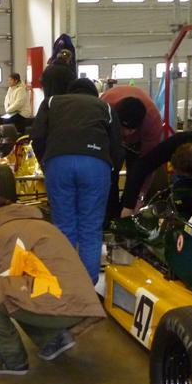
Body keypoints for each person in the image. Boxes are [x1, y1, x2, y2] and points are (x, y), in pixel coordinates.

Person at [0, 194, 106, 375]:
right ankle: (53, 339)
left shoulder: (5, 233)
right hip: (82, 304)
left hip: (65, 307)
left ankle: (9, 361)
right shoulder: (38, 224)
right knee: (21, 287)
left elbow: (2, 284)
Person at [29, 78, 120, 282]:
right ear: (93, 94)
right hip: (95, 164)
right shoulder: (105, 106)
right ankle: (87, 286)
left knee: (64, 226)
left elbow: (37, 136)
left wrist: (46, 162)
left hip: (58, 163)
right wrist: (110, 173)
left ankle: (66, 283)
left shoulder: (52, 102)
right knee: (90, 228)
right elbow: (117, 146)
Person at [100, 85, 163, 221]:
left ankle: (126, 217)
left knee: (135, 175)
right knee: (110, 173)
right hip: (110, 135)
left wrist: (140, 196)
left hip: (138, 142)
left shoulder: (153, 123)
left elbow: (148, 166)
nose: (127, 134)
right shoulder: (103, 108)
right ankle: (111, 216)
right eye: (123, 129)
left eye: (131, 130)